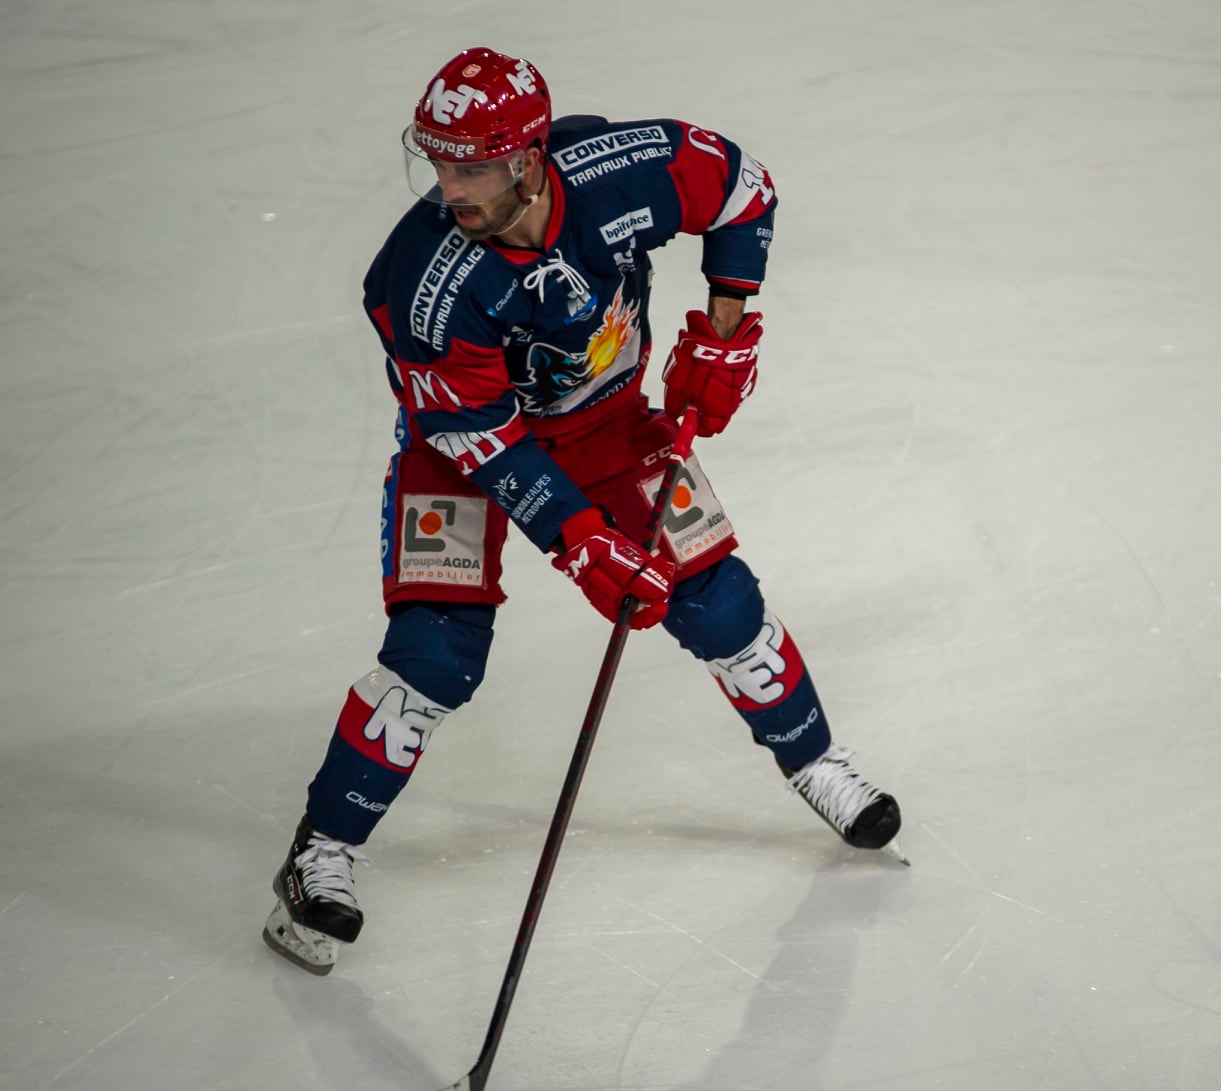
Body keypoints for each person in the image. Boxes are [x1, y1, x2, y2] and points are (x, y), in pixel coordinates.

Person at [262, 47, 903, 976]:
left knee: (714, 596)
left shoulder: (620, 170)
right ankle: (320, 850)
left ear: (527, 157)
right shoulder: (422, 287)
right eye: (438, 163)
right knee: (437, 653)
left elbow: (743, 189)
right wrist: (579, 542)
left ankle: (815, 764)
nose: (451, 188)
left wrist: (725, 331)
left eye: (472, 165)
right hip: (462, 453)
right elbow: (479, 438)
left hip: (609, 426)